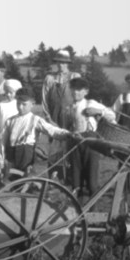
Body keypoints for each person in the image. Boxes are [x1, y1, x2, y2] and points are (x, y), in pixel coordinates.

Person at [0, 88, 71, 174]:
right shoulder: (10, 121)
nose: (20, 107)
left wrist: (67, 134)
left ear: (32, 104)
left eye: (24, 104)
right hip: (11, 155)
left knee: (25, 180)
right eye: (18, 104)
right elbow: (2, 140)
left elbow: (52, 130)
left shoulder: (35, 120)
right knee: (10, 179)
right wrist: (0, 156)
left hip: (26, 155)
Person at [66, 78, 116, 204]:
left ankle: (92, 211)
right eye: (73, 89)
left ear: (85, 92)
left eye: (78, 90)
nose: (75, 93)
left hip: (91, 143)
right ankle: (77, 209)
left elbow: (112, 115)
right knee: (76, 177)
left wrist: (98, 111)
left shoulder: (91, 103)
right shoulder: (69, 107)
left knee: (91, 177)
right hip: (75, 143)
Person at [41, 49, 81, 180]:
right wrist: (48, 119)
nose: (61, 65)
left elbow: (79, 98)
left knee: (71, 146)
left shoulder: (75, 77)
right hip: (54, 118)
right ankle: (54, 177)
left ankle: (70, 177)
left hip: (71, 119)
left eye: (64, 63)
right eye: (58, 63)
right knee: (55, 148)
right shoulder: (50, 79)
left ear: (68, 63)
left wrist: (76, 119)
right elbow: (44, 100)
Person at [0, 79, 23, 169]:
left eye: (11, 93)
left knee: (12, 161)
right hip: (1, 138)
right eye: (7, 92)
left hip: (15, 139)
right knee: (0, 159)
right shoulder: (1, 105)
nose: (8, 95)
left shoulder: (19, 105)